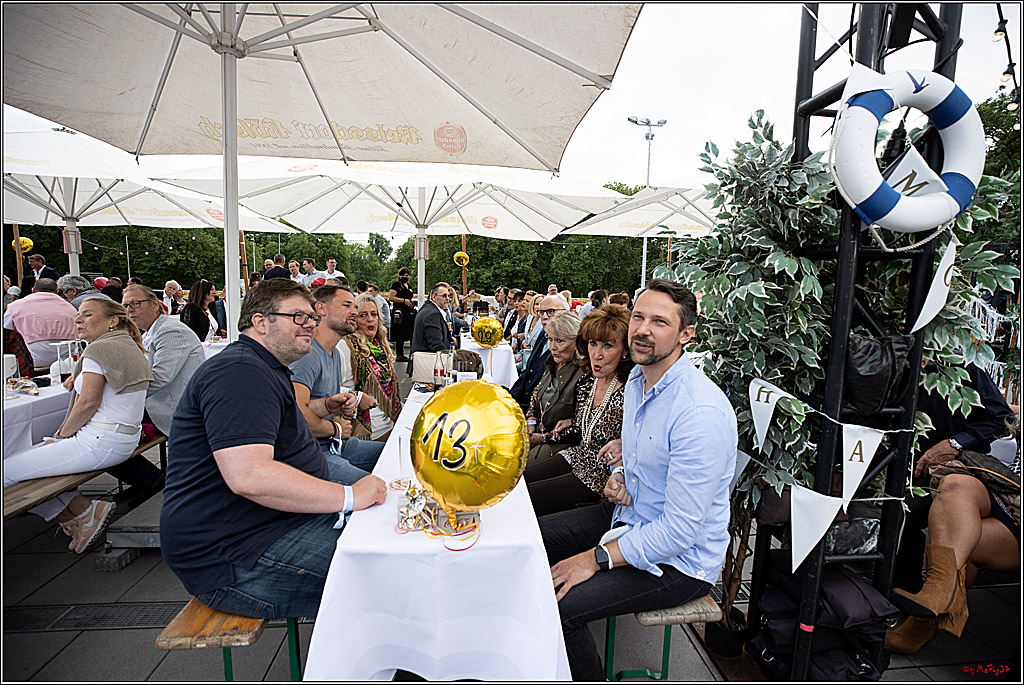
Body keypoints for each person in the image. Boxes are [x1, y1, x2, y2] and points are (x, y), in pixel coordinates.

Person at [540, 278, 737, 680]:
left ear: (687, 334)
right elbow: (636, 460)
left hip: (681, 564)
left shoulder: (699, 412)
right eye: (640, 317)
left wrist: (595, 559)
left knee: (561, 606)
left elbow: (681, 531)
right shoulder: (637, 380)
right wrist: (618, 474)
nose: (644, 329)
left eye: (660, 322)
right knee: (533, 535)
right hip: (631, 519)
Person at [160, 279, 388, 619]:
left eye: (312, 316)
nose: (311, 323)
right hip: (237, 556)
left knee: (392, 543)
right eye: (298, 316)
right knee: (390, 573)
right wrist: (349, 497)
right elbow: (249, 475)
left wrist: (326, 407)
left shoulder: (262, 367)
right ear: (260, 322)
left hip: (269, 527)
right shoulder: (239, 371)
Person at [3, 298, 154, 553]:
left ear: (112, 321)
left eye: (87, 314)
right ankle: (80, 513)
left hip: (100, 441)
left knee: (7, 472)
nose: (78, 320)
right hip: (121, 438)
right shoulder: (126, 345)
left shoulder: (98, 351)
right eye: (78, 315)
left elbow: (88, 403)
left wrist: (61, 435)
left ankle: (79, 514)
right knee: (22, 462)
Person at [885, 414, 1020, 655]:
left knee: (959, 541)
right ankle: (938, 591)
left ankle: (927, 619)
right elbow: (1002, 415)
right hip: (1010, 496)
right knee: (955, 485)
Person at [893, 360, 1015, 593]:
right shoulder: (889, 362)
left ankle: (918, 597)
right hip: (891, 467)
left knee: (909, 512)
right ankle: (919, 598)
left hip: (943, 474)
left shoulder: (961, 367)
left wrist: (955, 443)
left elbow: (1001, 419)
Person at [525, 305, 632, 517]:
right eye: (593, 344)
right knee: (517, 483)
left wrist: (626, 445)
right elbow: (587, 429)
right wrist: (572, 422)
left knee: (525, 500)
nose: (597, 354)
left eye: (608, 346)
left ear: (626, 350)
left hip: (600, 475)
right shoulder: (588, 382)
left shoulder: (632, 390)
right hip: (578, 455)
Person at [290, 284, 386, 483]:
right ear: (321, 309)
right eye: (347, 305)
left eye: (354, 306)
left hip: (337, 444)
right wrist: (335, 429)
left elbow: (320, 402)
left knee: (398, 454)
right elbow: (296, 414)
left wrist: (342, 404)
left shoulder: (333, 353)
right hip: (313, 454)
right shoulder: (308, 354)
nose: (354, 312)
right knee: (378, 488)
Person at [522, 311, 584, 468]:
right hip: (537, 436)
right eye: (549, 339)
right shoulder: (553, 363)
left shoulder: (585, 373)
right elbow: (535, 397)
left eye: (560, 341)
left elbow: (581, 428)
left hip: (561, 446)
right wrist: (531, 421)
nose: (553, 347)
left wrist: (542, 438)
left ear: (577, 342)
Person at [341, 293, 402, 441]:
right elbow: (330, 389)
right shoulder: (344, 346)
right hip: (367, 432)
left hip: (390, 423)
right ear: (354, 321)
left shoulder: (379, 346)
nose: (370, 319)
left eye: (374, 314)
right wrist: (357, 397)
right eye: (363, 315)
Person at [509, 293, 569, 411]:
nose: (545, 316)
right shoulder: (543, 335)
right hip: (524, 402)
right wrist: (508, 398)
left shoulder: (569, 346)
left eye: (551, 311)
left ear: (566, 313)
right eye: (541, 312)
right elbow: (528, 373)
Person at [3, 277, 77, 368]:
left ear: (33, 290)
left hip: (30, 359)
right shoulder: (70, 308)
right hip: (66, 359)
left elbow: (7, 332)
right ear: (57, 291)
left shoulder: (15, 307)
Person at [410, 282, 453, 355]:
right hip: (427, 363)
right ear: (434, 297)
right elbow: (436, 345)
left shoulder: (428, 308)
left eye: (448, 296)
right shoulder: (433, 314)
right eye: (444, 296)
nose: (448, 299)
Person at [388, 267, 416, 361]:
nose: (405, 277)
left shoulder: (409, 286)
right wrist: (403, 301)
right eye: (403, 275)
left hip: (409, 313)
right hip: (400, 312)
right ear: (400, 276)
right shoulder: (396, 285)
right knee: (400, 333)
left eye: (407, 275)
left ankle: (412, 352)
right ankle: (399, 354)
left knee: (410, 331)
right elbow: (391, 297)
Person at [512, 293, 544, 372]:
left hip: (536, 360)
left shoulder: (544, 321)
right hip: (525, 357)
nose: (539, 307)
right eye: (536, 304)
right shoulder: (530, 317)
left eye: (542, 304)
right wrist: (523, 342)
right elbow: (526, 337)